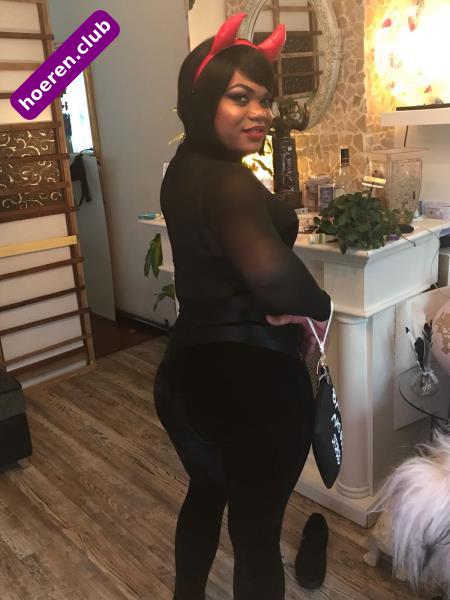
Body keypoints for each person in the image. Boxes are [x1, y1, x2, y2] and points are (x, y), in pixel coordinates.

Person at [154, 13, 331, 600]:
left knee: (205, 495)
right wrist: (318, 305)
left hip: (187, 378)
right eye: (240, 97)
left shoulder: (184, 171)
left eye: (264, 99)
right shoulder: (228, 182)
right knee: (255, 536)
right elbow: (276, 281)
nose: (260, 112)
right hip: (253, 385)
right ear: (202, 98)